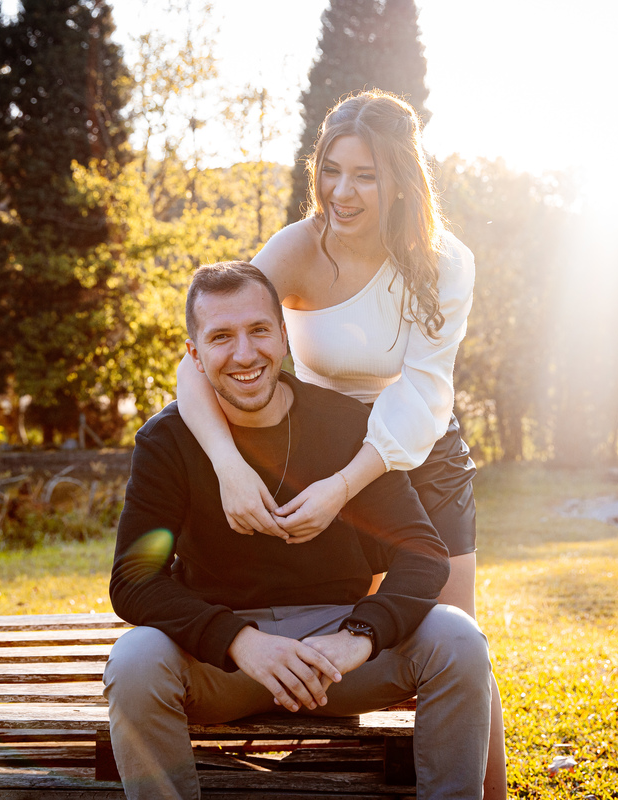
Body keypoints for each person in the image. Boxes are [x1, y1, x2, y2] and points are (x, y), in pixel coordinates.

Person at [174, 90, 507, 796]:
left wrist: (344, 486)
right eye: (331, 170)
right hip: (322, 449)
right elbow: (201, 354)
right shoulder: (295, 250)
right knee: (356, 632)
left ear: (401, 180)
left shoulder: (446, 261)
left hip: (419, 456)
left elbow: (422, 392)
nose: (342, 192)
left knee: (455, 640)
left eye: (365, 175)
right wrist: (228, 464)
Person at [106, 262, 492, 799]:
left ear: (285, 336)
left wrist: (358, 636)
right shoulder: (166, 442)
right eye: (221, 337)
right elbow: (133, 579)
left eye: (259, 330)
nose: (244, 354)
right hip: (224, 661)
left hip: (335, 654)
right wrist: (239, 642)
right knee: (134, 660)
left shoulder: (346, 424)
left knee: (458, 638)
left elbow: (423, 552)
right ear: (194, 354)